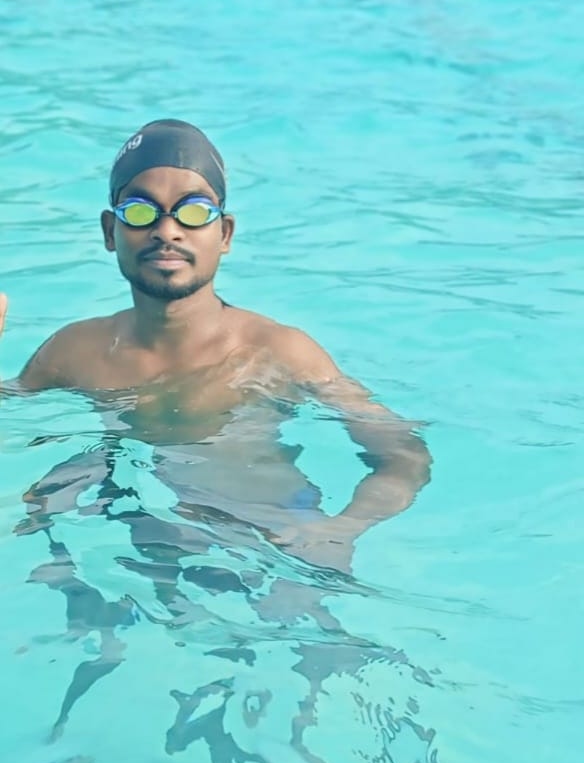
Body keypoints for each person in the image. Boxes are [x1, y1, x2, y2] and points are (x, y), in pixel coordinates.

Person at [1, 118, 430, 580]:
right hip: (135, 530)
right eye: (141, 212)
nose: (167, 231)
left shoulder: (280, 352)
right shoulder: (73, 352)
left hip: (272, 542)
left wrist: (343, 529)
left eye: (193, 211)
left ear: (224, 234)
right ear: (110, 231)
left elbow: (405, 455)